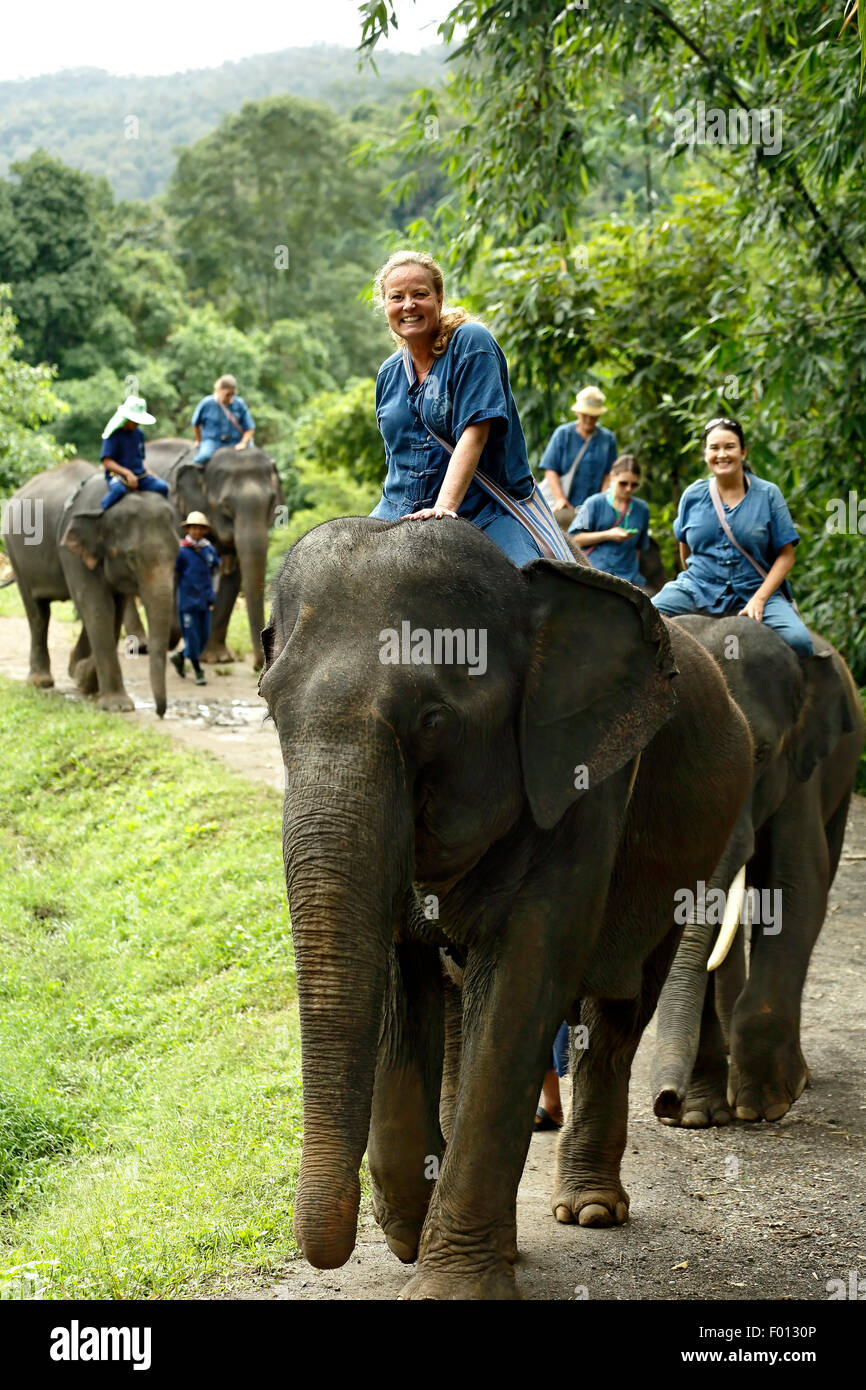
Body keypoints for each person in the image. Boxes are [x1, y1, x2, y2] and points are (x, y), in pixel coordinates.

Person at [371, 249, 571, 567]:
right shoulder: (389, 373)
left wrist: (445, 507)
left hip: (484, 510)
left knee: (530, 586)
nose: (408, 305)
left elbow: (474, 433)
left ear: (439, 299)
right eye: (397, 297)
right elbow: (395, 461)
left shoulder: (471, 343)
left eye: (419, 294)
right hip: (398, 511)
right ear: (386, 307)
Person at [651, 417, 813, 655]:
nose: (722, 454)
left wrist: (759, 599)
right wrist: (693, 584)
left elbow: (786, 557)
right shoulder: (692, 495)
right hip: (698, 586)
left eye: (729, 447)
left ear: (743, 452)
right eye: (714, 448)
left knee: (800, 641)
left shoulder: (768, 494)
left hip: (754, 588)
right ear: (706, 453)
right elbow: (685, 549)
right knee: (645, 617)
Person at [540, 386, 618, 527]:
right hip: (565, 507)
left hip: (590, 509)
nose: (588, 419)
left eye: (593, 416)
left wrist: (603, 502)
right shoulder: (563, 434)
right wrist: (560, 499)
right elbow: (550, 470)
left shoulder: (607, 439)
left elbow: (608, 474)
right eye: (585, 415)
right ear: (577, 412)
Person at [568, 454, 650, 586]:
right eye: (623, 483)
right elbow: (574, 539)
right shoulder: (593, 503)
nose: (628, 489)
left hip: (629, 578)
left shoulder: (642, 509)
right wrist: (608, 534)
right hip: (595, 572)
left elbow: (638, 548)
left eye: (634, 485)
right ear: (612, 477)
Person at [170, 511, 220, 686]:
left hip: (205, 600)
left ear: (204, 530)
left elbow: (215, 570)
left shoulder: (208, 549)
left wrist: (214, 590)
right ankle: (199, 671)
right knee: (192, 638)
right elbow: (174, 574)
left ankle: (180, 656)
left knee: (204, 637)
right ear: (188, 529)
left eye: (200, 528)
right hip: (187, 601)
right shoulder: (182, 551)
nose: (197, 531)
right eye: (193, 528)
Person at [99, 395, 170, 511]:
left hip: (139, 475)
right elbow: (106, 461)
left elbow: (140, 457)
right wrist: (126, 473)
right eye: (135, 420)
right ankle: (101, 513)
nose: (137, 423)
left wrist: (147, 471)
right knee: (118, 491)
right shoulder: (113, 434)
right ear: (127, 418)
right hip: (118, 476)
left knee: (163, 487)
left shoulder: (139, 434)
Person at [191, 375, 256, 465]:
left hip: (235, 441)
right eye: (227, 394)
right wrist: (199, 440)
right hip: (213, 441)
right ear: (219, 390)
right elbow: (195, 424)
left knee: (256, 458)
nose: (230, 397)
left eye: (232, 394)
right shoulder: (206, 403)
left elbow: (250, 428)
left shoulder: (239, 404)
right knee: (203, 457)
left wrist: (243, 443)